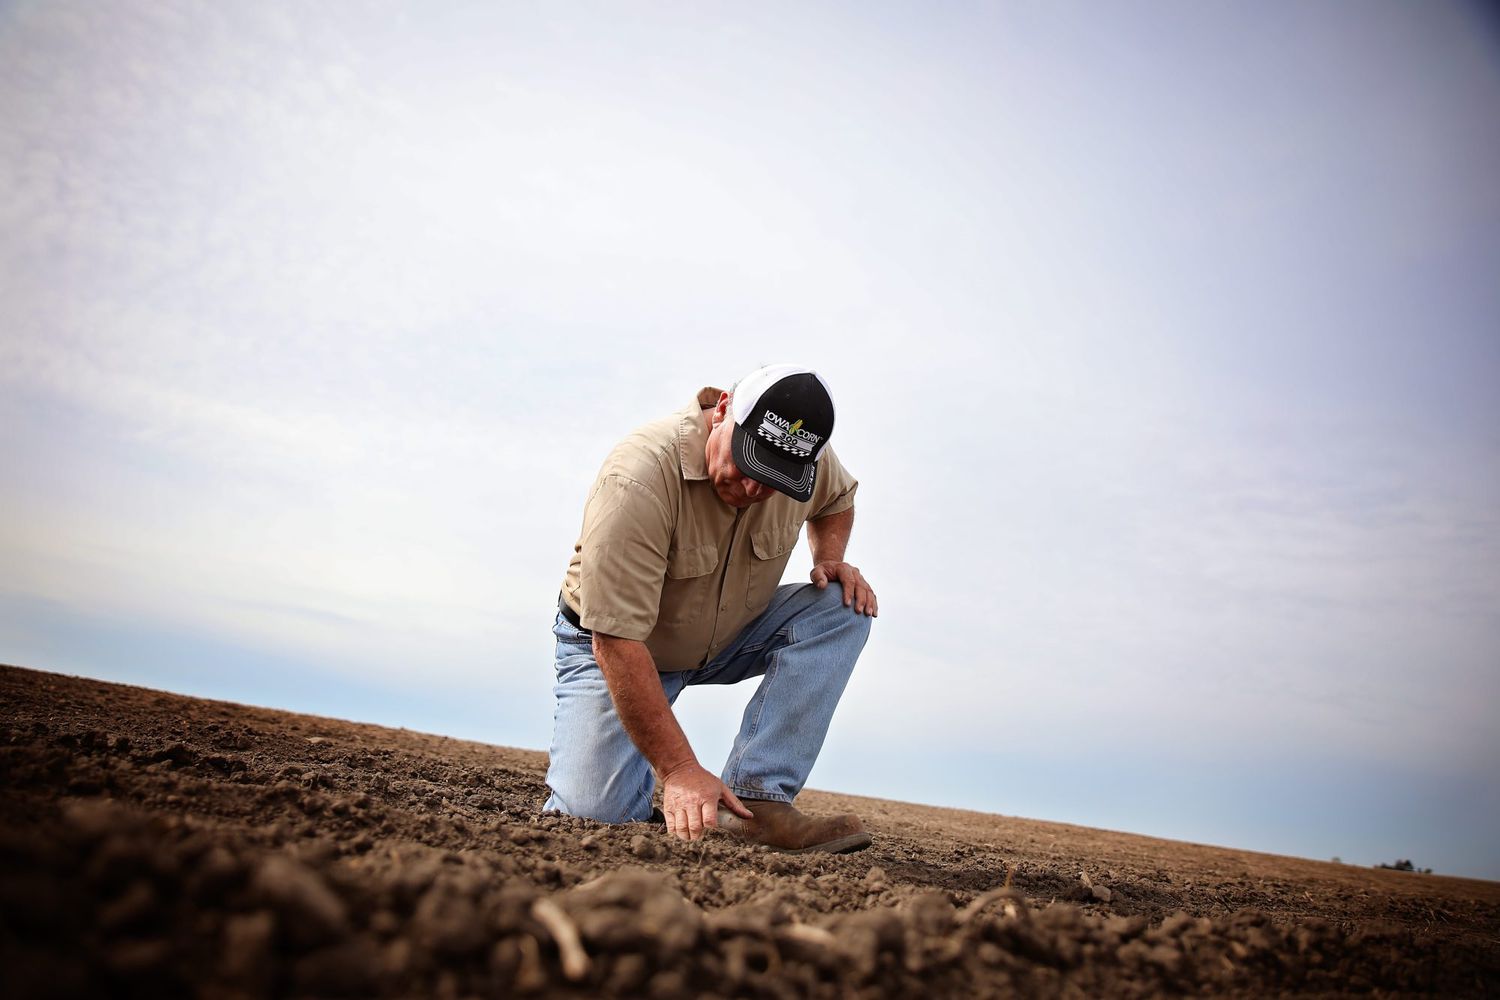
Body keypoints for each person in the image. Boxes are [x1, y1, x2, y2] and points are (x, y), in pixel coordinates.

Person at [544, 363, 879, 852]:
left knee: (842, 608)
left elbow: (838, 498)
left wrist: (830, 560)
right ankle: (642, 791)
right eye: (749, 462)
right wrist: (679, 770)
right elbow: (615, 639)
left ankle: (756, 802)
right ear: (722, 410)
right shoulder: (638, 477)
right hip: (619, 648)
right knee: (594, 821)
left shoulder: (802, 458)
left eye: (774, 480)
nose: (753, 489)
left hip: (728, 636)